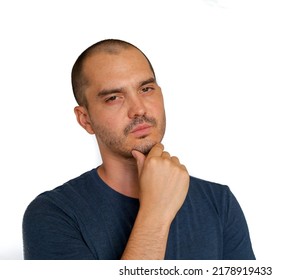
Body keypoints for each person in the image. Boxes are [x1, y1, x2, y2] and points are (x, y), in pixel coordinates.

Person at [22, 39, 255, 260]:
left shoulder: (218, 202)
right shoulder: (53, 215)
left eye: (146, 89)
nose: (139, 109)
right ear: (85, 120)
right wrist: (155, 214)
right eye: (114, 97)